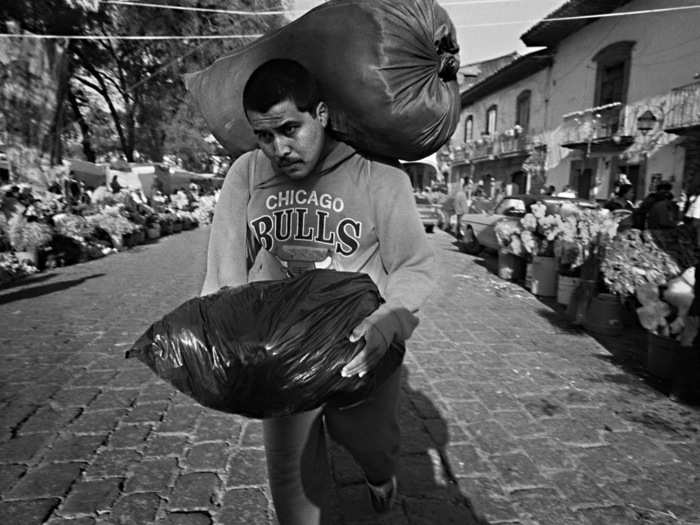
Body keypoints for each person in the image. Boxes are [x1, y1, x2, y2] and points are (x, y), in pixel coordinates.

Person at [200, 59, 434, 524]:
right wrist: (225, 327)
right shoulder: (246, 174)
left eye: (290, 128)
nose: (279, 148)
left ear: (321, 114)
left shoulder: (378, 177)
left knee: (372, 441)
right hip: (283, 353)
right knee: (292, 476)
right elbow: (226, 263)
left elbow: (413, 265)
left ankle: (378, 473)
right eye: (265, 135)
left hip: (361, 350)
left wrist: (386, 324)